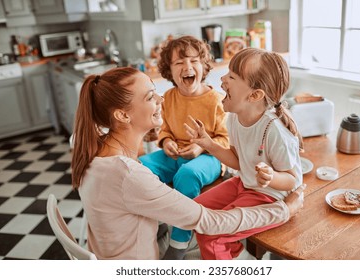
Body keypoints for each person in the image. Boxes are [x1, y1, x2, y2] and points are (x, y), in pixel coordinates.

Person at [71, 66, 305, 260]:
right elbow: (210, 222)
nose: (161, 99)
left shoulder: (95, 150)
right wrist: (284, 210)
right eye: (150, 96)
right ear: (122, 115)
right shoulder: (128, 175)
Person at [184, 48, 304, 260]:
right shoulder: (234, 117)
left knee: (210, 234)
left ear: (255, 95)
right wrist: (209, 144)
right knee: (195, 212)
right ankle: (237, 255)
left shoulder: (275, 131)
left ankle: (241, 261)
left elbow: (291, 180)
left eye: (232, 76)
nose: (222, 79)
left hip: (271, 196)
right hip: (245, 183)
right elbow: (239, 161)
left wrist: (271, 177)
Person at [139, 35, 229, 259]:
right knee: (139, 167)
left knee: (187, 174)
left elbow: (226, 140)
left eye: (194, 61)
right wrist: (166, 141)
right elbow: (165, 129)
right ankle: (157, 219)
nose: (187, 67)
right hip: (175, 154)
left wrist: (201, 147)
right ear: (169, 71)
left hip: (210, 158)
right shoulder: (168, 98)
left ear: (204, 65)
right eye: (179, 63)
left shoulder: (217, 100)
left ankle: (180, 239)